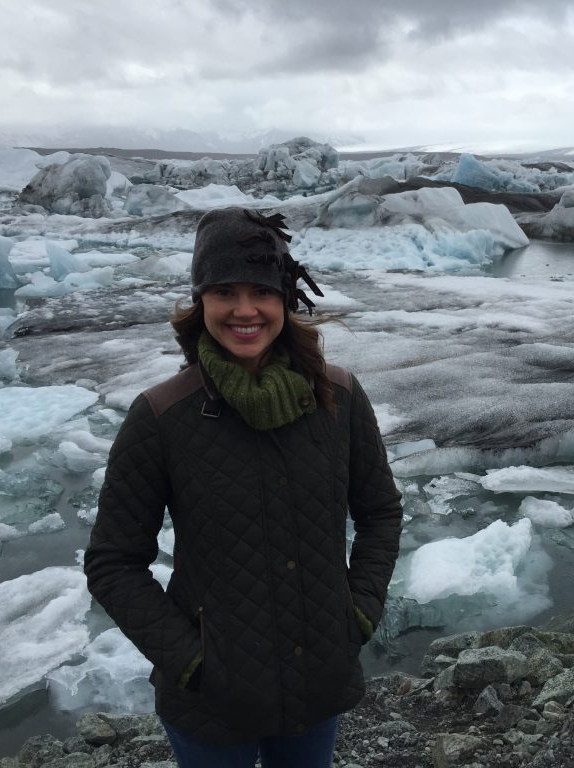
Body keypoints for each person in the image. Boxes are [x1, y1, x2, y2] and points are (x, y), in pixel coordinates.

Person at [84, 207, 403, 768]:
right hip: (213, 699)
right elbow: (113, 562)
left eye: (261, 290)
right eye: (224, 291)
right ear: (200, 301)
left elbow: (380, 512)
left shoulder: (340, 397)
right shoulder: (162, 416)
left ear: (285, 297)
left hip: (316, 680)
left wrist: (356, 612)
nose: (244, 310)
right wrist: (190, 660)